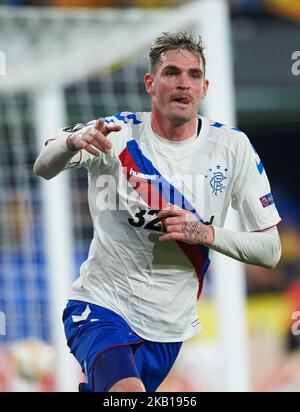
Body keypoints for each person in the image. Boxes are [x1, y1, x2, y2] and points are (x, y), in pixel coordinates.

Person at [34, 31, 282, 392]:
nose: (183, 83)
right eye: (171, 73)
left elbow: (271, 251)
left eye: (193, 75)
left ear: (205, 87)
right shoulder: (116, 133)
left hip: (168, 330)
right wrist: (73, 142)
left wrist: (206, 234)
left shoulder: (232, 148)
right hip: (100, 306)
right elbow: (44, 165)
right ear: (151, 83)